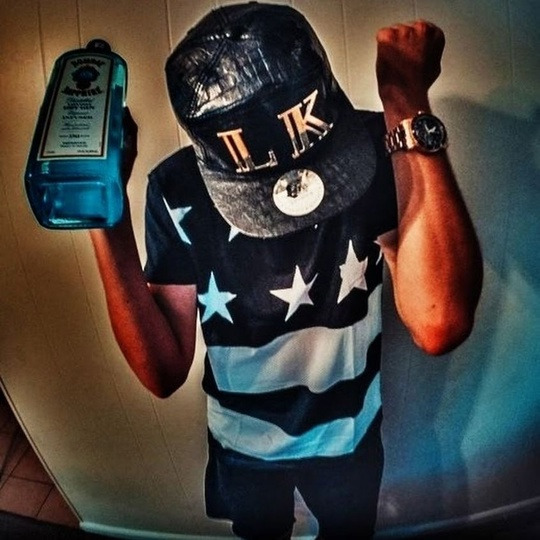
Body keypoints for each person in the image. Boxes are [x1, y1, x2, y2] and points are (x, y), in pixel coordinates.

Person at [90, 3, 482, 539]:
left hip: (349, 433)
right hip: (243, 442)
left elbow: (439, 321)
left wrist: (406, 102)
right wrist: (102, 209)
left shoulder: (379, 148)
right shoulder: (177, 189)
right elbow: (163, 371)